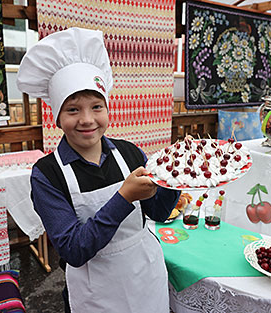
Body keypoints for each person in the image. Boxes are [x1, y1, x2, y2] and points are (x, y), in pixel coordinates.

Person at [16, 27, 180, 313]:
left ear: (107, 109)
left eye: (96, 106)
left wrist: (178, 174)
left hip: (145, 276)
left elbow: (158, 212)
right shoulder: (47, 174)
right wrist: (123, 198)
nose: (87, 120)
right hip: (95, 292)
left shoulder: (130, 153)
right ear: (56, 117)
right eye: (73, 110)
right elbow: (73, 250)